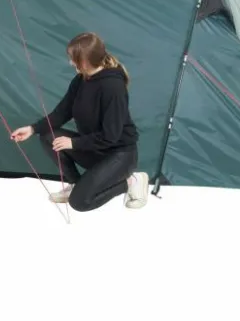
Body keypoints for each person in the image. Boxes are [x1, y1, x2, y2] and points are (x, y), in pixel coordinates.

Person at [10, 32, 149, 211]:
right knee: (47, 135)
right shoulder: (81, 79)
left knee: (80, 202)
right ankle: (76, 183)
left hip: (119, 155)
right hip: (95, 150)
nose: (70, 62)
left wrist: (73, 143)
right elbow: (61, 113)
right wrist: (32, 129)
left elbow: (111, 136)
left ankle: (132, 181)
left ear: (84, 61)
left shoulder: (113, 87)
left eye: (73, 58)